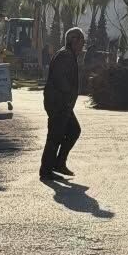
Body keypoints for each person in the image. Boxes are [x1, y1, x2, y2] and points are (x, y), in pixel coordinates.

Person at [40, 27, 85, 183]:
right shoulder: (65, 55)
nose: (83, 45)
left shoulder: (69, 55)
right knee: (55, 136)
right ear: (73, 40)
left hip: (63, 103)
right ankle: (46, 171)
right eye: (81, 41)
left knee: (73, 130)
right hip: (58, 103)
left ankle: (59, 163)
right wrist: (68, 95)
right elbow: (60, 80)